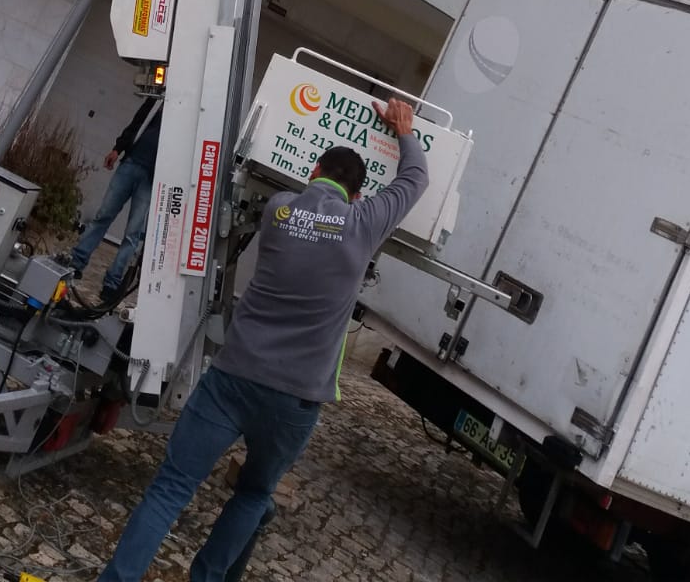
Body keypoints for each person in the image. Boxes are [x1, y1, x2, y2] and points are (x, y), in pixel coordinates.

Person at [97, 96, 428, 582]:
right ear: (357, 196)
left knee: (171, 487)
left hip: (234, 377)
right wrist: (403, 128)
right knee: (253, 494)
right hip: (295, 400)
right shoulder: (364, 223)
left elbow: (298, 205)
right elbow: (415, 178)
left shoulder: (279, 211)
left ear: (314, 170)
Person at [68, 93, 162, 300]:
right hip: (131, 163)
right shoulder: (157, 97)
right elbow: (136, 123)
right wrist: (117, 148)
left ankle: (112, 282)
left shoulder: (188, 115)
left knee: (133, 233)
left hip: (152, 177)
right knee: (103, 216)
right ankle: (76, 262)